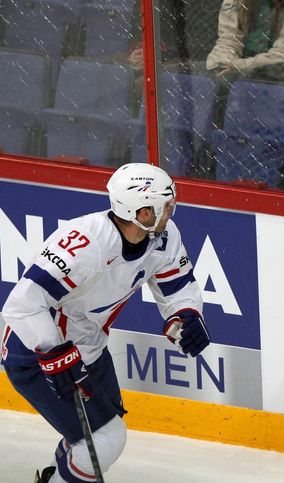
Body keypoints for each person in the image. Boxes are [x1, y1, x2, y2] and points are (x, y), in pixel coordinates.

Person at [0, 163, 211, 482]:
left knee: (99, 436)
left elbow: (178, 286)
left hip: (90, 348)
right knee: (104, 440)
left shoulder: (164, 237)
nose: (171, 210)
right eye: (163, 205)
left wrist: (186, 314)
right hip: (35, 353)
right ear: (141, 212)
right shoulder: (85, 242)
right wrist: (55, 355)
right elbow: (23, 304)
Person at [205, 0, 284, 81]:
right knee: (212, 80)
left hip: (272, 79)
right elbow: (228, 40)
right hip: (234, 72)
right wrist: (220, 63)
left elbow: (281, 54)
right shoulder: (234, 2)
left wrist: (239, 66)